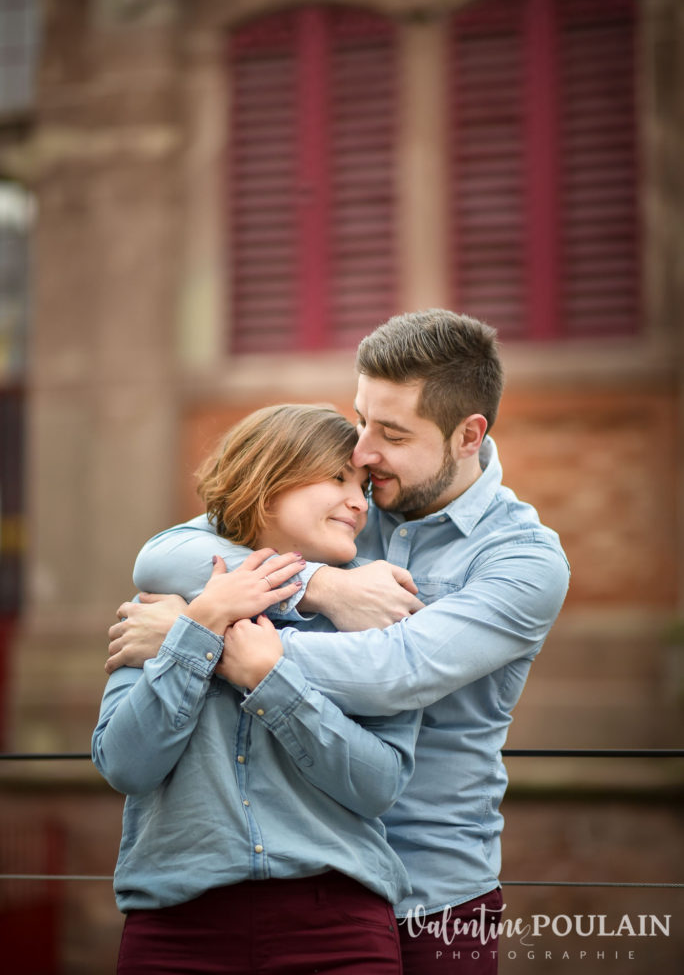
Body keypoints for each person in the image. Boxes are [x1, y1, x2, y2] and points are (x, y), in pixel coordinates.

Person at [108, 310, 570, 975]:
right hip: (295, 872)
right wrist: (321, 586)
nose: (363, 452)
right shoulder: (343, 509)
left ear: (469, 435)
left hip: (436, 890)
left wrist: (202, 640)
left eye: (393, 433)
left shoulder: (523, 560)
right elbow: (165, 554)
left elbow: (394, 672)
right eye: (362, 420)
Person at [93, 404, 423, 975]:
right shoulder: (167, 604)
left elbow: (379, 785)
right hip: (176, 929)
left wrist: (270, 680)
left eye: (364, 488)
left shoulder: (375, 609)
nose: (359, 503)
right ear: (268, 481)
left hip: (338, 928)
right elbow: (125, 765)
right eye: (339, 478)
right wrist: (202, 622)